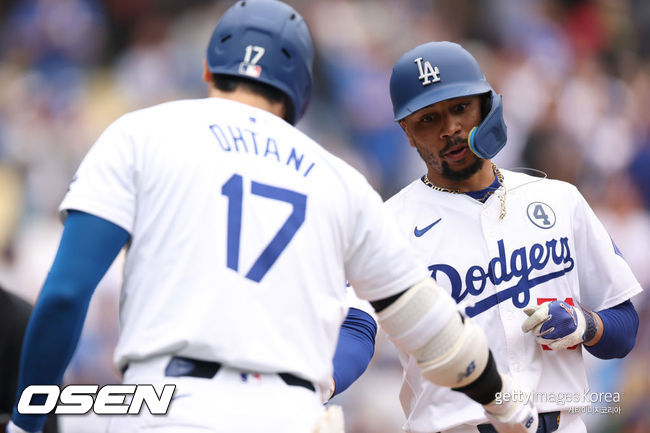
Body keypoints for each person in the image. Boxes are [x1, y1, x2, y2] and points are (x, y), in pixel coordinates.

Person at [8, 3, 537, 433]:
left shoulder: (142, 132)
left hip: (163, 405)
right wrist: (509, 410)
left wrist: (28, 421)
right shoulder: (341, 178)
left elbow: (64, 295)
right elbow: (439, 335)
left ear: (209, 70)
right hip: (290, 414)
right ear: (300, 96)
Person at [333, 40, 642, 433]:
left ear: (485, 105)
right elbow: (357, 329)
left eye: (460, 108)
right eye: (428, 119)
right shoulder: (387, 224)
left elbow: (624, 326)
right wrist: (322, 381)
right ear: (407, 133)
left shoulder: (558, 199)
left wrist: (587, 324)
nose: (450, 129)